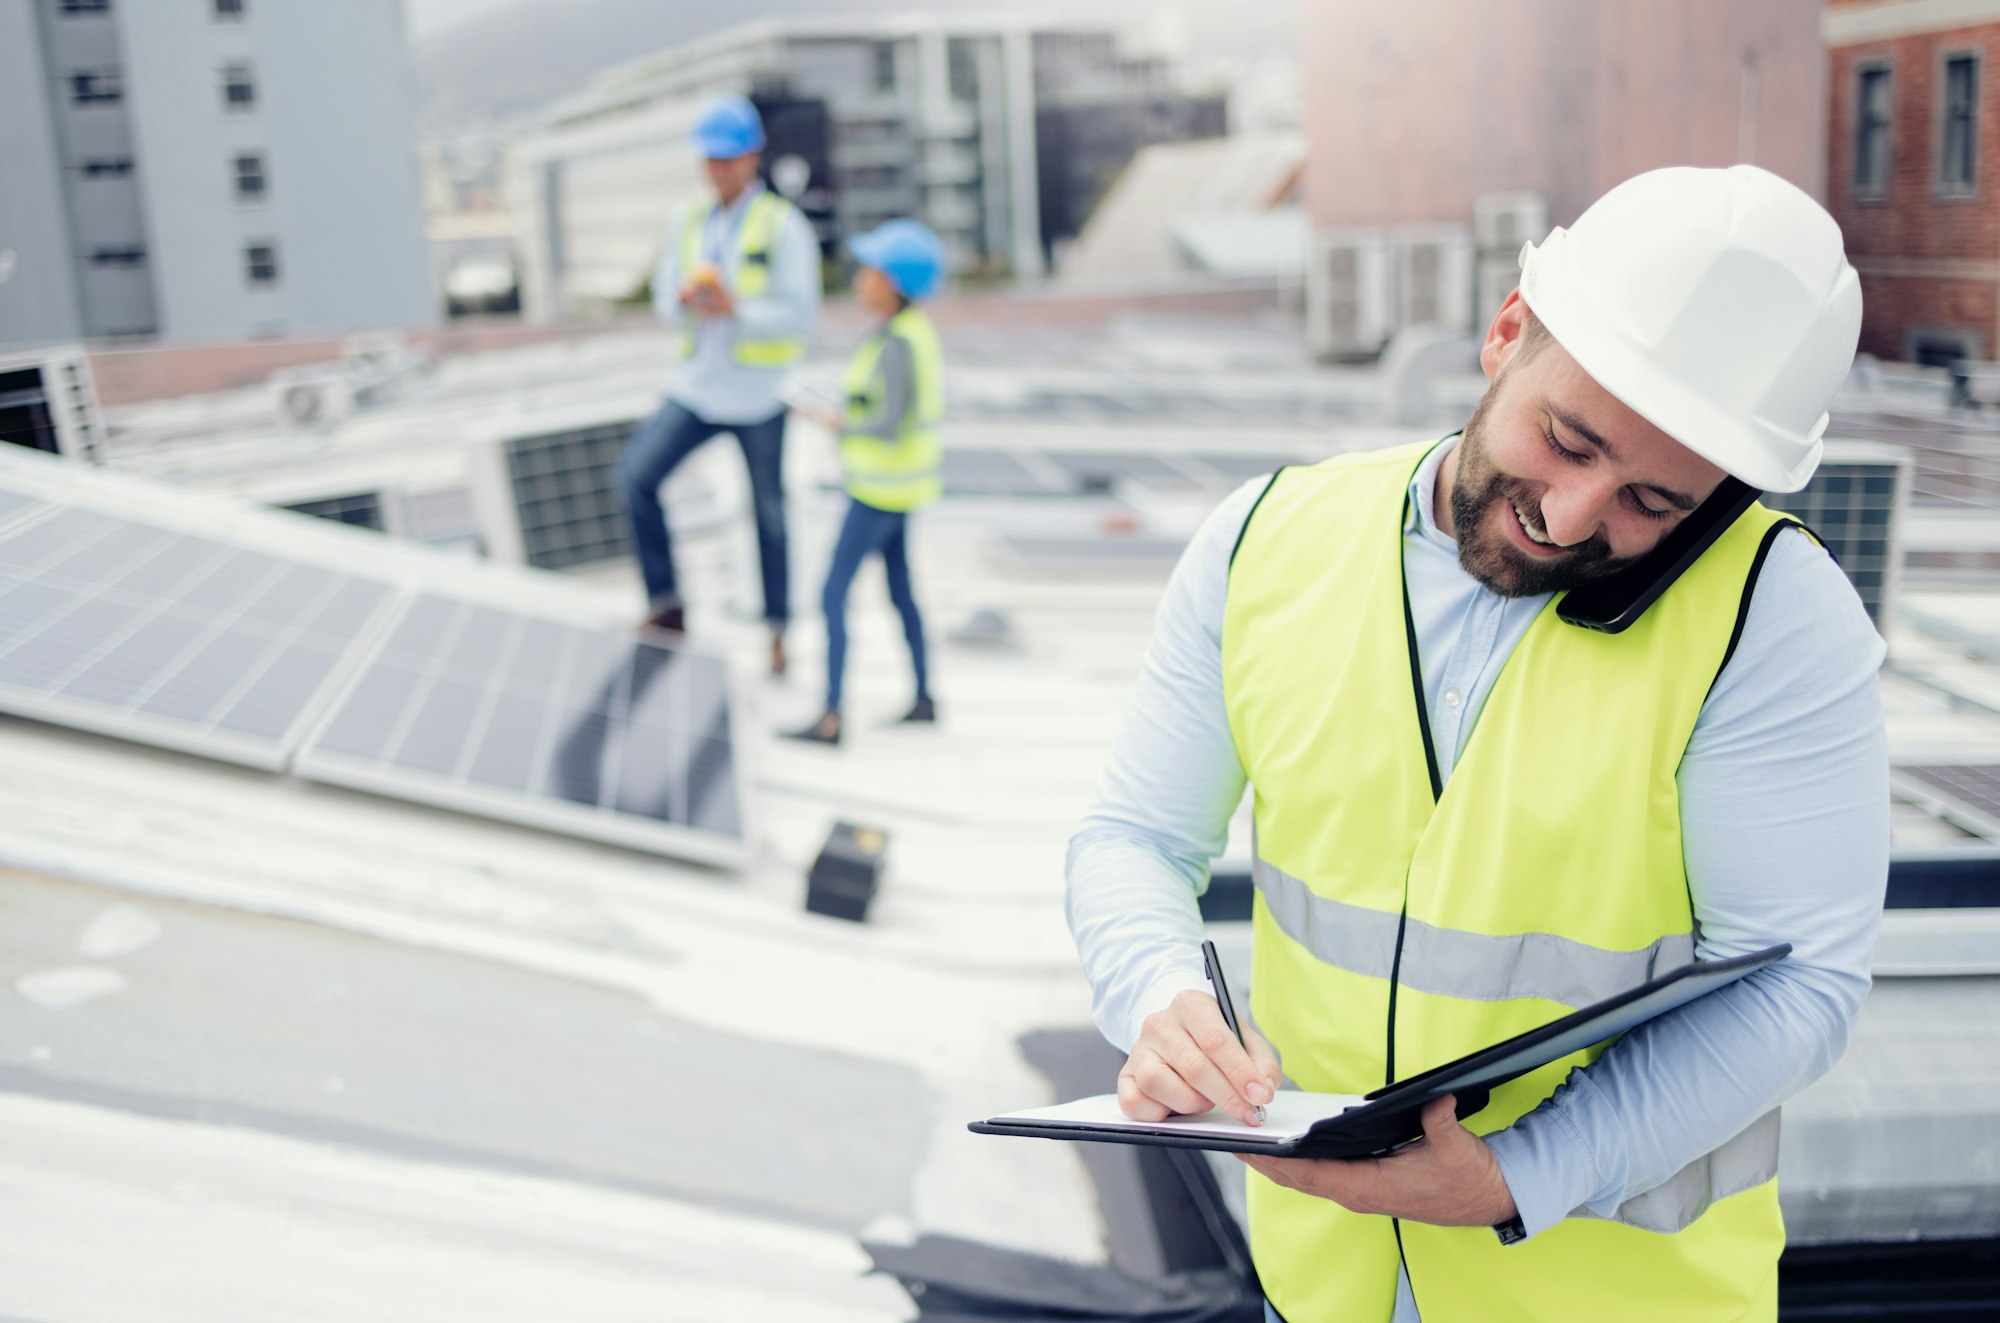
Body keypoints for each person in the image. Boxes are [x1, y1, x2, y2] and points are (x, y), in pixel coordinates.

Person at [1066, 165, 1887, 1323]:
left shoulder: (1774, 618)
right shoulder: (1264, 542)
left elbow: (1796, 982)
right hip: (1324, 1284)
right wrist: (1160, 997)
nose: (1569, 518)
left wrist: (1515, 1174)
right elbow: (1135, 838)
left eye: (1653, 504)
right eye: (1566, 439)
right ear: (1505, 332)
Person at [617, 95, 821, 676]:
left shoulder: (783, 226)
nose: (718, 170)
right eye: (710, 159)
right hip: (698, 388)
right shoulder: (688, 221)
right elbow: (663, 302)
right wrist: (687, 305)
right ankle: (666, 603)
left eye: (728, 159)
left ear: (754, 157)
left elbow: (799, 315)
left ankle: (778, 632)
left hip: (758, 395)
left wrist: (737, 311)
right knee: (635, 478)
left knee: (770, 517)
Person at [784, 220, 946, 746]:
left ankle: (831, 716)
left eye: (871, 271)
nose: (860, 279)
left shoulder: (898, 343)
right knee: (902, 594)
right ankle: (924, 697)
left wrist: (834, 421)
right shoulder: (905, 333)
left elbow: (889, 420)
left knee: (832, 596)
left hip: (879, 491)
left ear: (894, 282)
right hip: (898, 490)